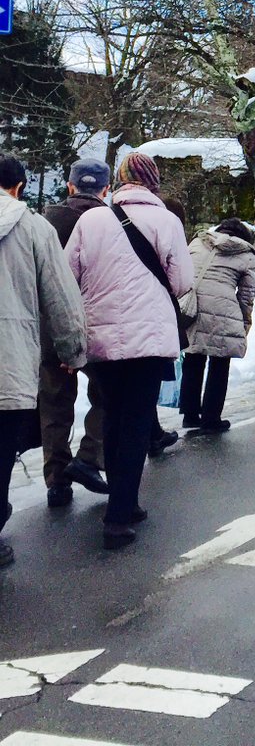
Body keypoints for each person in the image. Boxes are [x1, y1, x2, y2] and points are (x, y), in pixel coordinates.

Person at [65, 152, 193, 550]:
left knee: (113, 416)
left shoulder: (91, 220)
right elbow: (183, 280)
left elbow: (68, 276)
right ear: (153, 182)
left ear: (118, 181)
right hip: (149, 340)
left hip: (100, 337)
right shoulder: (168, 222)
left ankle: (124, 504)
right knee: (137, 423)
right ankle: (120, 515)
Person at [0, 155, 87, 568]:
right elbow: (60, 297)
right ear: (18, 187)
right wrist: (72, 352)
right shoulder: (35, 228)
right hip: (11, 359)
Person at [39, 159, 110, 508]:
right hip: (96, 326)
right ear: (105, 190)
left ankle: (56, 480)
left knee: (54, 405)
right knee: (108, 393)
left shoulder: (44, 224)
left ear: (69, 186)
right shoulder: (112, 226)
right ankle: (89, 455)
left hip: (51, 329)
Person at [179, 218, 255, 433]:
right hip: (223, 308)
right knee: (220, 361)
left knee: (193, 356)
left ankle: (190, 414)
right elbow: (246, 295)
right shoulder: (246, 253)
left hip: (192, 306)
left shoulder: (197, 242)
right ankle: (212, 418)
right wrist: (244, 322)